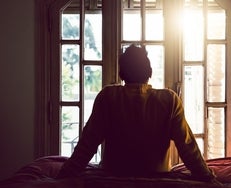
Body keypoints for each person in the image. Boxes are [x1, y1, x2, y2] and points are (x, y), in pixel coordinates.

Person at [57, 44, 218, 183]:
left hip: (114, 177)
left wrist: (63, 175)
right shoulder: (169, 99)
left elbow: (87, 144)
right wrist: (207, 177)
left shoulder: (108, 96)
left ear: (122, 73)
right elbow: (187, 146)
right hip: (157, 178)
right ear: (149, 71)